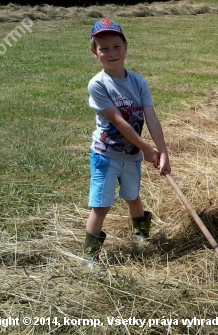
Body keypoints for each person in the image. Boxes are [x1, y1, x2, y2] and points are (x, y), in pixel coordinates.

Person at [83, 18, 170, 263]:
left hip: (131, 157)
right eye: (104, 48)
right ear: (94, 52)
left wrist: (162, 152)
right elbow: (119, 122)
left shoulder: (138, 82)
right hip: (106, 155)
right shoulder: (98, 85)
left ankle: (141, 236)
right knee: (101, 205)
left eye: (116, 46)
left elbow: (151, 117)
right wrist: (147, 149)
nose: (112, 53)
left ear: (126, 47)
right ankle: (90, 256)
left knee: (133, 197)